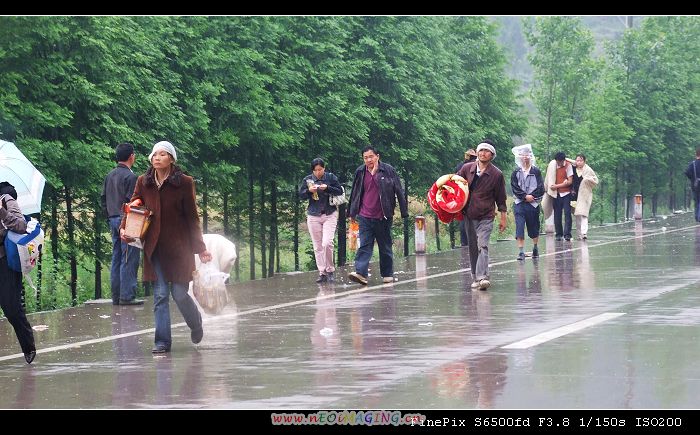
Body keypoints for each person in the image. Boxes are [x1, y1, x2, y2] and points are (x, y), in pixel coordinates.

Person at [120, 141, 212, 354]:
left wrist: (200, 248)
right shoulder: (143, 181)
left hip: (180, 249)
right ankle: (162, 342)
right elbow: (134, 204)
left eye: (162, 154)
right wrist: (125, 224)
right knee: (161, 294)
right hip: (155, 248)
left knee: (179, 294)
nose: (157, 158)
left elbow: (192, 217)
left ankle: (196, 323)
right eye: (154, 154)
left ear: (171, 158)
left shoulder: (184, 183)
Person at [347, 145, 408, 285]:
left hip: (383, 215)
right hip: (365, 215)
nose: (368, 160)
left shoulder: (388, 170)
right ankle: (361, 273)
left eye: (371, 157)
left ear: (377, 156)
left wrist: (404, 211)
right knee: (365, 245)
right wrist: (352, 212)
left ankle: (387, 274)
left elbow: (398, 189)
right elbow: (355, 192)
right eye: (365, 158)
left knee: (384, 246)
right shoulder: (360, 171)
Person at [456, 140, 507, 290]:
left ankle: (483, 277)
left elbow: (501, 198)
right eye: (481, 150)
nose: (483, 153)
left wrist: (503, 218)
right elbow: (455, 184)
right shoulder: (466, 169)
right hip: (469, 213)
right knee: (473, 246)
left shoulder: (496, 174)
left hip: (486, 215)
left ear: (492, 155)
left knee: (482, 245)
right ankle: (475, 277)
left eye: (486, 151)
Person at [101, 142, 143, 305]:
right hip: (127, 220)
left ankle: (116, 296)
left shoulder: (109, 175)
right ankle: (127, 296)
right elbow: (132, 202)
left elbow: (103, 199)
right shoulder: (131, 177)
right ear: (132, 156)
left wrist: (109, 216)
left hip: (112, 218)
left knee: (117, 257)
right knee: (129, 257)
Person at [0, 181, 37, 364]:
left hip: (4, 261)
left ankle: (28, 346)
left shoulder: (6, 199)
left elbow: (21, 226)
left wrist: (1, 211)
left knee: (11, 309)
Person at [299, 158, 343, 283]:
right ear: (312, 170)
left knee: (327, 243)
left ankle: (330, 270)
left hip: (330, 213)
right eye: (316, 170)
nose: (318, 172)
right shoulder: (307, 180)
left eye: (320, 169)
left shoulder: (331, 177)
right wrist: (309, 191)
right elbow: (301, 195)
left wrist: (327, 188)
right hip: (313, 215)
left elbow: (339, 190)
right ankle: (322, 272)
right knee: (317, 246)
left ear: (324, 168)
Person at [510, 147, 544, 260]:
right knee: (519, 226)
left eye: (527, 155)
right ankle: (521, 252)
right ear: (519, 157)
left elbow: (540, 187)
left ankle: (535, 247)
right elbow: (515, 187)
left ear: (530, 156)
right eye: (522, 155)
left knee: (534, 226)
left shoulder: (536, 171)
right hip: (519, 203)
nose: (525, 157)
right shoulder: (516, 172)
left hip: (533, 204)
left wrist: (532, 196)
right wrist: (524, 196)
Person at [544, 151, 574, 241]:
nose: (558, 163)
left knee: (567, 214)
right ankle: (558, 234)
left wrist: (557, 186)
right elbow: (549, 178)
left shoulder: (568, 166)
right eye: (557, 161)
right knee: (557, 214)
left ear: (563, 160)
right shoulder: (553, 166)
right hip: (556, 194)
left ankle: (567, 234)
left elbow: (570, 181)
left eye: (560, 162)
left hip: (566, 193)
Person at [570, 154, 598, 240]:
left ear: (584, 161)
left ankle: (584, 232)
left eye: (581, 160)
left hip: (585, 194)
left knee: (584, 214)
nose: (579, 162)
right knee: (577, 214)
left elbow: (595, 180)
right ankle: (579, 234)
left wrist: (587, 179)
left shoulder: (588, 170)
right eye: (577, 160)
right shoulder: (572, 168)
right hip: (574, 195)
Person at [455, 149, 477, 247]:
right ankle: (473, 241)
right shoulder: (476, 165)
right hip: (473, 195)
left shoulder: (460, 166)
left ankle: (464, 242)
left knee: (463, 219)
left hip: (463, 195)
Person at [685, 148, 700, 222]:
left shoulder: (692, 164)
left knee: (696, 201)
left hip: (695, 185)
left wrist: (693, 179)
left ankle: (697, 216)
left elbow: (687, 172)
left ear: (696, 154)